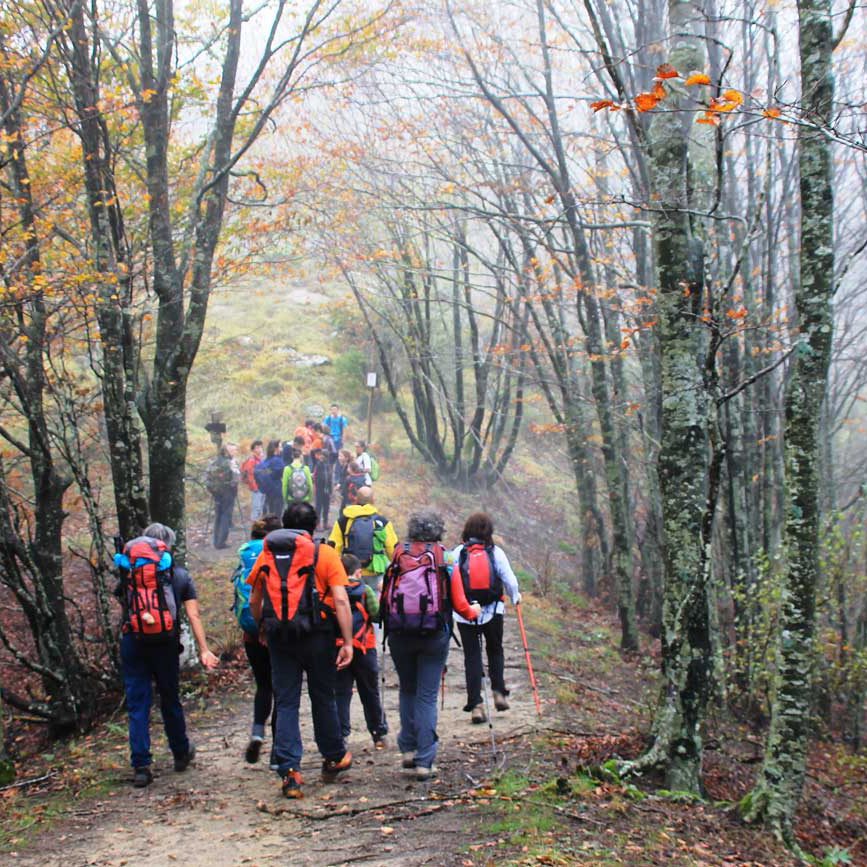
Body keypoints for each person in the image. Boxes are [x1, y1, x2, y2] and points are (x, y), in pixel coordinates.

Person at [247, 502, 355, 799]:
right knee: (323, 696)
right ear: (315, 524)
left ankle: (290, 771)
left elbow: (254, 600)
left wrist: (263, 628)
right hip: (318, 637)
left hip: (281, 638)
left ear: (284, 524)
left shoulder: (267, 554)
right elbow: (342, 600)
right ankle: (333, 754)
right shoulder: (324, 553)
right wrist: (347, 642)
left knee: (286, 702)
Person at [115, 523, 219, 788]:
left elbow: (125, 604)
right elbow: (193, 614)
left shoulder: (128, 573)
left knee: (138, 703)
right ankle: (181, 752)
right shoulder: (179, 575)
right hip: (165, 643)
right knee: (170, 698)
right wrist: (204, 649)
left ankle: (141, 765)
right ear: (167, 546)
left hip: (133, 640)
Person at [381, 510, 480, 781]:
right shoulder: (445, 557)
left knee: (407, 690)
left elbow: (386, 591)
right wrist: (474, 611)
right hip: (434, 634)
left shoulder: (398, 553)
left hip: (400, 631)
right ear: (438, 531)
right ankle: (425, 760)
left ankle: (408, 752)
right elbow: (460, 604)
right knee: (426, 695)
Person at [452, 513, 521, 723]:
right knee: (495, 649)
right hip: (493, 609)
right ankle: (499, 691)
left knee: (472, 656)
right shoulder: (496, 552)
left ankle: (476, 705)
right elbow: (510, 579)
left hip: (465, 613)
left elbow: (449, 579)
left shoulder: (457, 553)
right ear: (488, 531)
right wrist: (515, 596)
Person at [233, 515, 283, 765]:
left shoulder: (244, 556)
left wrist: (255, 627)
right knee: (282, 689)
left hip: (250, 633)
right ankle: (277, 753)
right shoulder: (274, 554)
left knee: (263, 685)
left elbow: (248, 598)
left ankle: (257, 731)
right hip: (275, 631)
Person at [335, 553, 388, 748]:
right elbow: (376, 615)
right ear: (358, 572)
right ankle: (378, 734)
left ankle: (341, 736)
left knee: (341, 693)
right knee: (369, 692)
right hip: (364, 648)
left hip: (339, 648)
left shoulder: (333, 591)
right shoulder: (365, 590)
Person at [328, 486, 397, 592]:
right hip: (375, 572)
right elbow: (393, 550)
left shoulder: (343, 521)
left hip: (351, 572)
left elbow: (333, 549)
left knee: (353, 602)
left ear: (356, 500)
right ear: (373, 500)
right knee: (376, 602)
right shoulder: (382, 522)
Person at [206, 443, 240, 549]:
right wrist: (234, 487)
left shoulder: (214, 462)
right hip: (228, 492)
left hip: (216, 492)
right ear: (227, 451)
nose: (235, 452)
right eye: (233, 450)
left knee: (218, 515)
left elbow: (207, 477)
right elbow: (236, 477)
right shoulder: (230, 463)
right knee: (226, 515)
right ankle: (221, 542)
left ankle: (216, 541)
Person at [254, 439, 285, 517]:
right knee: (277, 515)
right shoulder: (277, 461)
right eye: (280, 447)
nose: (282, 449)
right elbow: (280, 473)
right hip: (277, 491)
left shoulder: (265, 461)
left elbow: (258, 472)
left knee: (270, 514)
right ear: (276, 449)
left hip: (267, 492)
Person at [240, 440, 265, 522]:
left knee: (261, 507)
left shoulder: (260, 459)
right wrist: (254, 487)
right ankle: (254, 525)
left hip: (262, 486)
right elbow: (250, 475)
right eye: (257, 447)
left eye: (261, 447)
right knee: (256, 507)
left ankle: (259, 525)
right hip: (256, 487)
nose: (260, 449)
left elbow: (264, 472)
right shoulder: (252, 460)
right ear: (253, 450)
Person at [311, 448, 333, 531]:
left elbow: (330, 477)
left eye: (325, 456)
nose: (322, 457)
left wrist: (331, 490)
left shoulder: (328, 465)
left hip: (327, 489)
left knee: (326, 506)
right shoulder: (318, 465)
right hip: (319, 489)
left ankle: (325, 523)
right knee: (318, 507)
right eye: (322, 455)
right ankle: (317, 524)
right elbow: (315, 477)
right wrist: (315, 487)